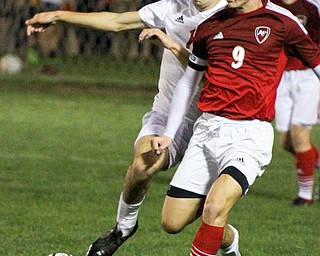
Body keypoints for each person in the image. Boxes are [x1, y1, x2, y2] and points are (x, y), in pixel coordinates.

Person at [25, 0, 230, 255]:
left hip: (212, 123)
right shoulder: (174, 7)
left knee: (191, 216)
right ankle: (123, 227)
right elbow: (117, 21)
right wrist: (60, 15)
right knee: (144, 162)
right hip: (167, 115)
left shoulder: (232, 16)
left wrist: (173, 46)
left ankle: (231, 245)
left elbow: (216, 75)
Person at [151, 0, 320, 254]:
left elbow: (317, 63)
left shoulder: (282, 21)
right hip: (207, 131)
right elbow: (189, 82)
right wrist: (168, 133)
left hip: (249, 135)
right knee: (172, 222)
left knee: (215, 206)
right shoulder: (209, 25)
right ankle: (230, 244)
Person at [272, 0, 320, 206]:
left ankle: (305, 195)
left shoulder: (312, 6)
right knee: (286, 141)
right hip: (281, 76)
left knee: (299, 133)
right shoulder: (270, 5)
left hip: (308, 75)